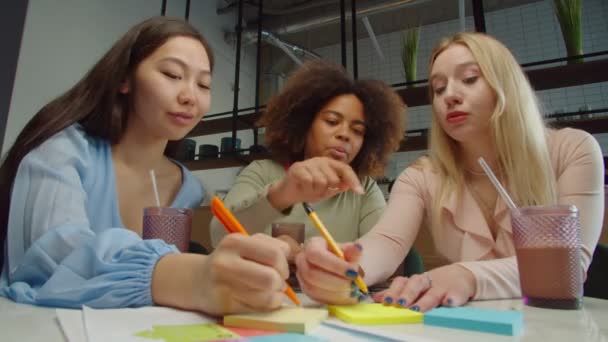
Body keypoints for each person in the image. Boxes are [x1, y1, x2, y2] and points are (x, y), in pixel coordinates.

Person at [0, 16, 292, 316]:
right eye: (172, 74)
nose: (190, 96)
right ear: (124, 79)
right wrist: (185, 278)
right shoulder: (64, 152)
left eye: (203, 84)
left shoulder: (187, 187)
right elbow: (52, 258)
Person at [295, 32, 604, 310]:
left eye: (469, 79)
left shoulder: (573, 150)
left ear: (506, 83)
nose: (449, 96)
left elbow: (567, 265)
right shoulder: (420, 177)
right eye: (438, 89)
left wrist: (467, 276)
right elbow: (386, 244)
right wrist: (345, 267)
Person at [209, 60, 405, 263]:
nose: (344, 135)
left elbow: (386, 253)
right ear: (304, 124)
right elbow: (218, 236)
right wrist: (282, 193)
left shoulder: (363, 190)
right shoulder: (262, 172)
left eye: (357, 131)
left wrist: (302, 256)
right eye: (331, 121)